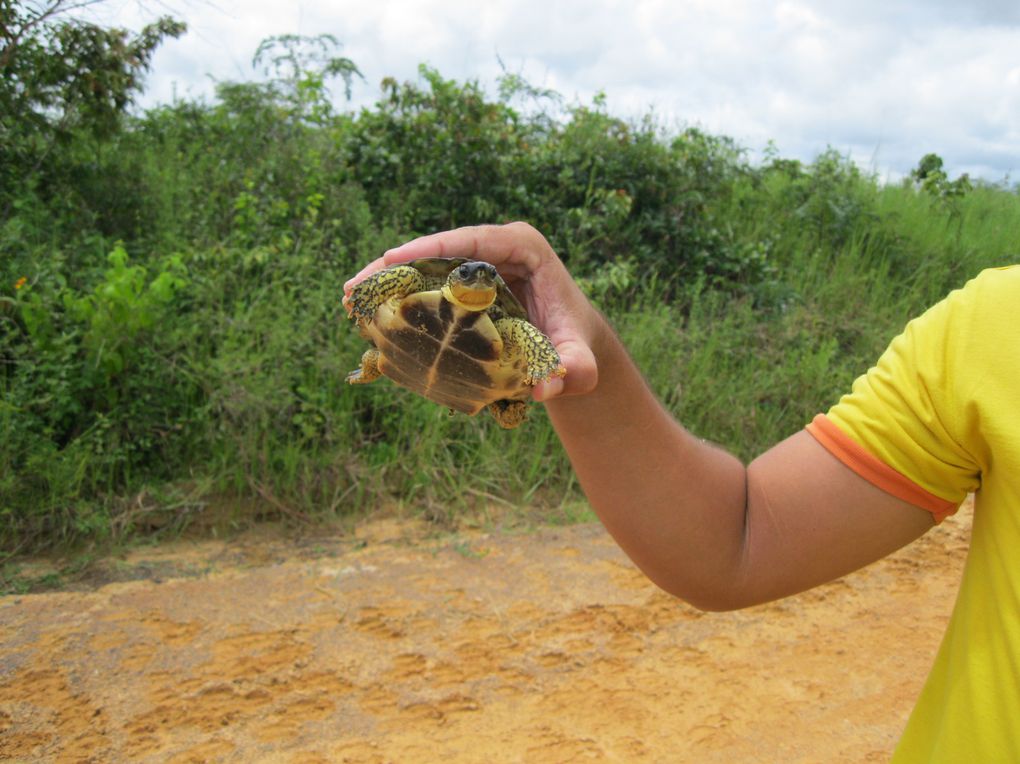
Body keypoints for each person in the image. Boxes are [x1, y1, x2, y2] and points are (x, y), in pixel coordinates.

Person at [344, 221, 1019, 762]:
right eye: (471, 276)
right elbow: (740, 540)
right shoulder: (994, 327)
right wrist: (575, 341)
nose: (474, 280)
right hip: (414, 349)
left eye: (482, 276)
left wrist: (533, 370)